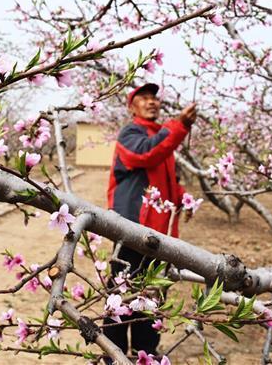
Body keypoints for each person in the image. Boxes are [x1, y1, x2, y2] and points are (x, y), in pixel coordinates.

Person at [103, 82, 197, 357]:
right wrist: (178, 125)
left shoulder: (160, 136)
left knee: (152, 297)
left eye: (154, 98)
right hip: (133, 229)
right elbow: (144, 154)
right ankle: (114, 356)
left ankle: (146, 355)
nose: (151, 102)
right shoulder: (131, 133)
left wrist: (182, 198)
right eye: (143, 98)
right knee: (123, 294)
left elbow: (164, 182)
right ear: (132, 107)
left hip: (157, 234)